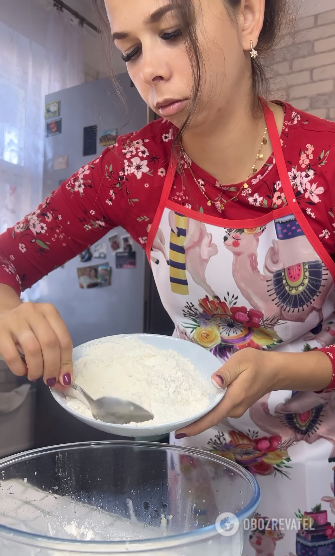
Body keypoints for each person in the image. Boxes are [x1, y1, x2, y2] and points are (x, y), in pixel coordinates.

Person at [0, 1, 335, 552]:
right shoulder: (132, 171)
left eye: (172, 32)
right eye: (130, 50)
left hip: (315, 470)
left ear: (247, 17)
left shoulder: (321, 163)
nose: (148, 69)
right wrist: (11, 310)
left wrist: (279, 368)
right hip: (199, 469)